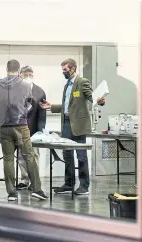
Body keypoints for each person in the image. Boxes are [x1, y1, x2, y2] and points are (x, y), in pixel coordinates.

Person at [40, 58, 106, 195]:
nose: (63, 72)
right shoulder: (67, 85)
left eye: (65, 70)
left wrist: (100, 101)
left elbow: (92, 97)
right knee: (67, 154)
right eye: (62, 70)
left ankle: (84, 186)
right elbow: (68, 106)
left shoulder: (82, 82)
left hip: (78, 124)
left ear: (73, 68)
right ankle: (69, 184)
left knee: (81, 155)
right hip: (66, 124)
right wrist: (51, 106)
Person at [0, 59, 48, 201]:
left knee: (8, 159)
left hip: (4, 126)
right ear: (18, 71)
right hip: (21, 125)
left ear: (6, 69)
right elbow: (30, 104)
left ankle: (11, 193)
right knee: (29, 156)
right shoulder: (25, 85)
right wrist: (22, 112)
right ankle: (37, 189)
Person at [16, 66, 47, 190]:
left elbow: (42, 113)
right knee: (21, 156)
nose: (28, 75)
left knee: (34, 156)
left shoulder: (40, 91)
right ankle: (24, 179)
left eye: (30, 74)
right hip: (19, 128)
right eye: (25, 74)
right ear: (20, 75)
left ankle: (34, 180)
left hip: (34, 129)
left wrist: (41, 130)